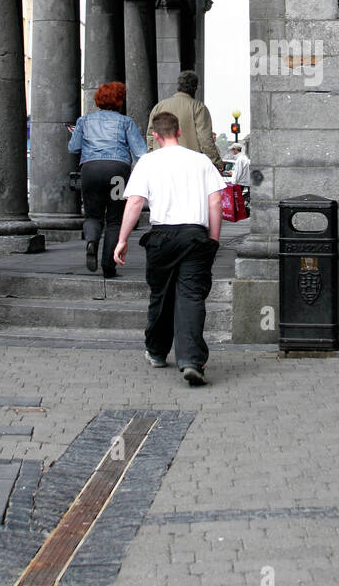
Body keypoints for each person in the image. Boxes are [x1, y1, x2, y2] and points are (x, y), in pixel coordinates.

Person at [114, 111, 225, 386]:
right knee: (191, 296)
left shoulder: (148, 162)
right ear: (178, 132)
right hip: (195, 235)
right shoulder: (201, 161)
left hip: (161, 236)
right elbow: (215, 202)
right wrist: (213, 239)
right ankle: (191, 361)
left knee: (161, 295)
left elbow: (136, 202)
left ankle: (156, 351)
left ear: (155, 135)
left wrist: (122, 239)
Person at [67, 81, 147, 279]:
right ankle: (108, 266)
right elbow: (141, 152)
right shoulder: (126, 122)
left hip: (91, 169)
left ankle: (92, 241)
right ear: (119, 101)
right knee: (114, 220)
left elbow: (73, 148)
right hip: (117, 171)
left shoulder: (84, 121)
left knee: (93, 215)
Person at [146, 70, 224, 171]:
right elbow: (205, 139)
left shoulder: (159, 106)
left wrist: (153, 154)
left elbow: (150, 136)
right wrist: (216, 162)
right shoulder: (198, 107)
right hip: (189, 166)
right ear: (195, 88)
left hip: (162, 164)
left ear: (178, 86)